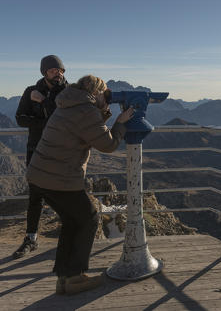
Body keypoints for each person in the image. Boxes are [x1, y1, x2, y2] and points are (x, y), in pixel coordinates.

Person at [26, 75, 134, 295]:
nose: (107, 98)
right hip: (59, 177)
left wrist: (102, 109)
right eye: (105, 94)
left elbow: (89, 129)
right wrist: (120, 123)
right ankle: (75, 277)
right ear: (95, 93)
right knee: (89, 218)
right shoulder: (85, 111)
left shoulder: (70, 103)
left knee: (72, 222)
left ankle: (64, 279)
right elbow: (108, 144)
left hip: (40, 175)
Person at [13, 55, 68, 259]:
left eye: (61, 70)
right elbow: (20, 118)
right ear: (45, 72)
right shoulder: (30, 92)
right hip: (36, 149)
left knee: (64, 193)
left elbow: (63, 119)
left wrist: (43, 102)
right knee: (35, 195)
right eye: (54, 70)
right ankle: (31, 239)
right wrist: (44, 123)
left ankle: (68, 236)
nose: (59, 73)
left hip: (61, 150)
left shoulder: (68, 92)